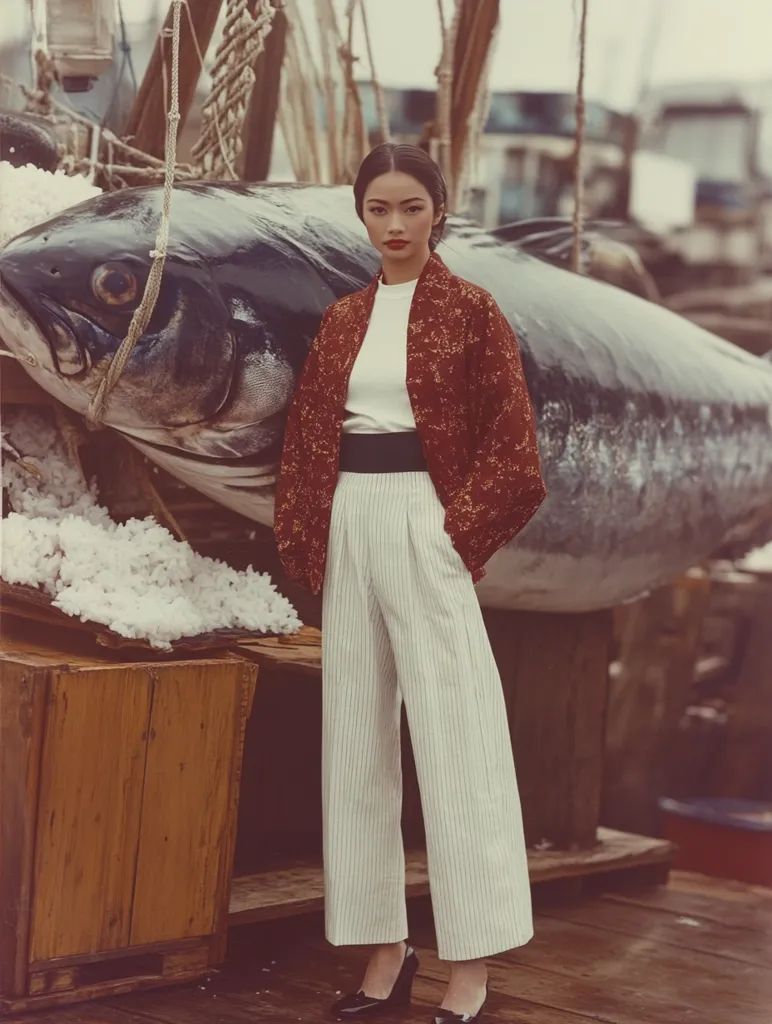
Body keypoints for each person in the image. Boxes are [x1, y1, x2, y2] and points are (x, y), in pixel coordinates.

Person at [274, 143, 546, 1024]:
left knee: (457, 739)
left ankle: (472, 963)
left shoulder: (472, 311)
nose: (394, 226)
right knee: (354, 739)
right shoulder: (345, 317)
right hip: (349, 516)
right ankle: (382, 950)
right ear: (361, 215)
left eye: (411, 209)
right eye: (378, 210)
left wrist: (449, 535)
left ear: (439, 211)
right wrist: (313, 540)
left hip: (426, 519)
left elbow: (516, 454)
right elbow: (308, 439)